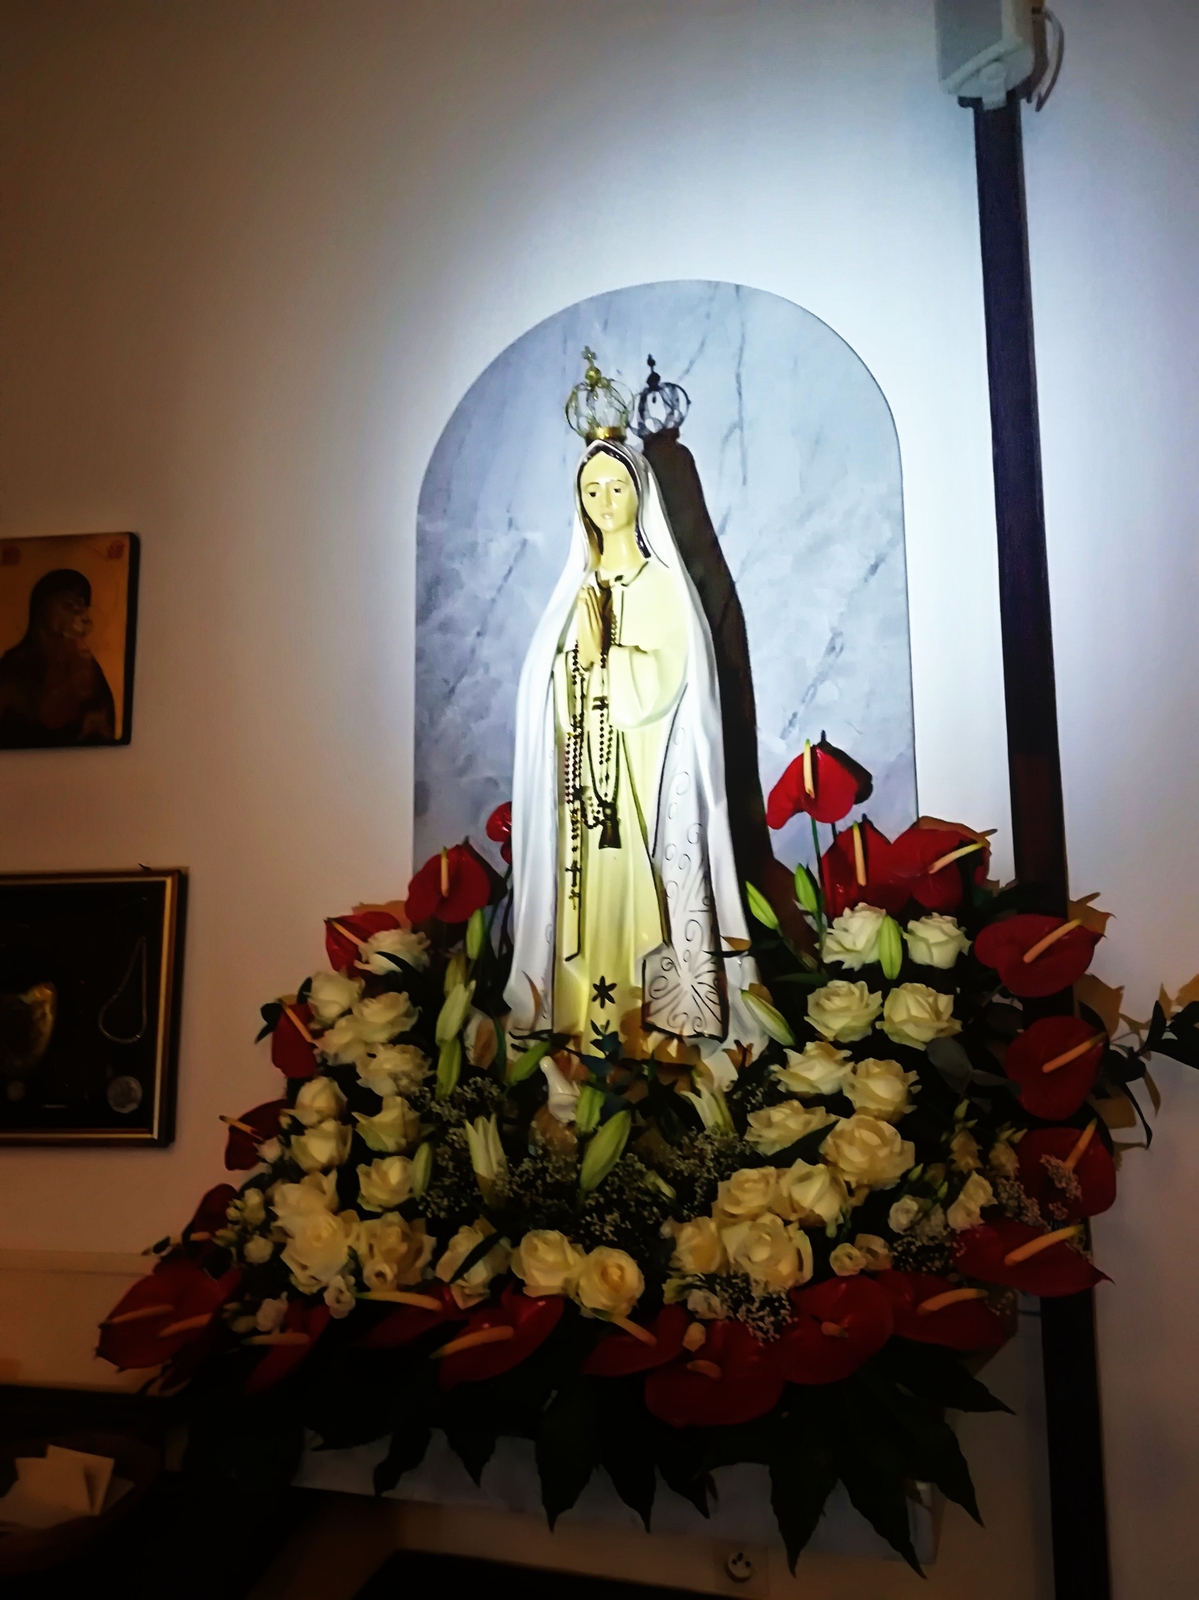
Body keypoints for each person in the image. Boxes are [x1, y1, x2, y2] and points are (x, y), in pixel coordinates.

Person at [505, 436, 761, 1081]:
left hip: (639, 791)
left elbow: (664, 684)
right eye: (591, 489)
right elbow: (546, 691)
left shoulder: (663, 586)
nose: (604, 500)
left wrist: (606, 657)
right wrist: (573, 670)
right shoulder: (574, 591)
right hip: (581, 798)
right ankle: (579, 1027)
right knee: (584, 907)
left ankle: (647, 1028)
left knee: (635, 900)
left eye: (616, 487)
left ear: (640, 493)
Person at [0, 568, 116, 746]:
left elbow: (103, 731)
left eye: (83, 609)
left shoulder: (87, 666)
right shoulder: (14, 666)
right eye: (69, 606)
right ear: (43, 610)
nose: (81, 617)